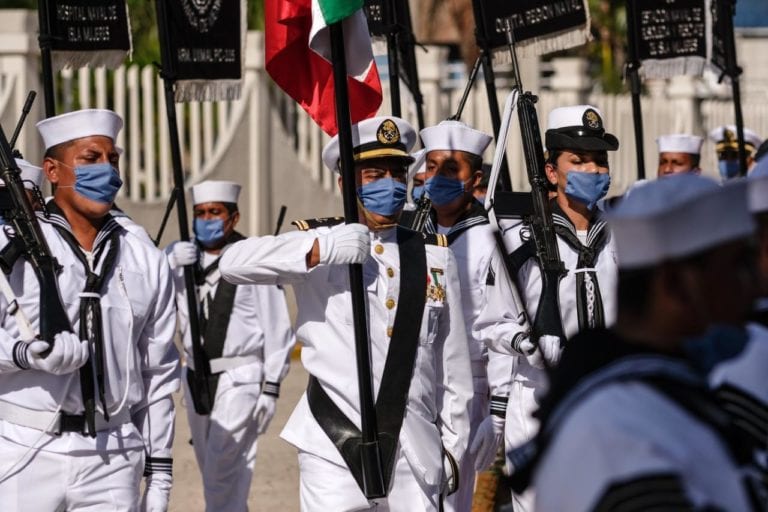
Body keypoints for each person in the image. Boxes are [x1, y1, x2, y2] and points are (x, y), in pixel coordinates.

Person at [219, 116, 474, 511]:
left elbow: (453, 365)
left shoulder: (433, 255)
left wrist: (454, 450)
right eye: (373, 174)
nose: (388, 185)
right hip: (333, 444)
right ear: (345, 184)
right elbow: (233, 263)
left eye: (396, 173)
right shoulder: (319, 244)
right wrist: (321, 248)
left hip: (415, 450)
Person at [522, 174, 762, 511]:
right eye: (738, 267)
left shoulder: (668, 398)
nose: (753, 287)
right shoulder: (622, 433)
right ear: (676, 284)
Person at [0, 108, 180, 511]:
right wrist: (24, 354)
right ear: (53, 170)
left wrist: (161, 473)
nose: (107, 170)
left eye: (112, 159)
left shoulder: (143, 256)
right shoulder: (10, 247)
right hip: (23, 448)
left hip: (114, 455)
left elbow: (159, 372)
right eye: (90, 158)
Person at [474, 105, 619, 511]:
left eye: (600, 161)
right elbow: (488, 323)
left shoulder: (620, 236)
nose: (593, 170)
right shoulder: (519, 241)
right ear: (551, 172)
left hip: (604, 394)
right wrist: (527, 342)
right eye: (580, 160)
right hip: (539, 395)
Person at [166, 180, 296, 511]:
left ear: (233, 218)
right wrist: (163, 266)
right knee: (218, 471)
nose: (206, 219)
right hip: (196, 378)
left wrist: (271, 387)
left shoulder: (251, 259)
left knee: (220, 472)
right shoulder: (185, 261)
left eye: (214, 212)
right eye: (200, 213)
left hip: (240, 378)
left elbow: (277, 326)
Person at [419, 119, 513, 511]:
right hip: (418, 380)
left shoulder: (492, 241)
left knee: (456, 493)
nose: (438, 176)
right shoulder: (410, 232)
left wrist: (498, 408)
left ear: (475, 179)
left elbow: (504, 321)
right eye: (433, 166)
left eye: (451, 168)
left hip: (470, 386)